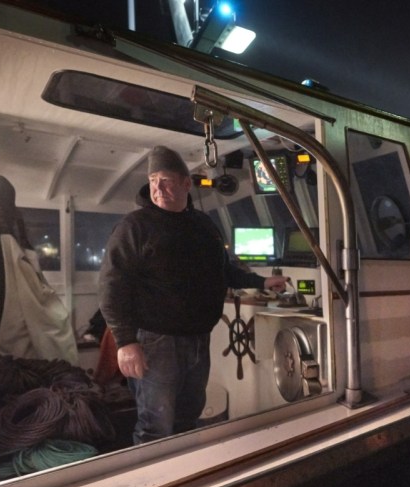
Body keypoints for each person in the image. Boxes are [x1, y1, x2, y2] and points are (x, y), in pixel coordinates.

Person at [98, 145, 288, 444]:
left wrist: (263, 282)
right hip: (155, 341)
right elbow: (112, 286)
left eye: (166, 180)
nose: (157, 187)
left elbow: (223, 271)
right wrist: (126, 342)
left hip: (198, 338)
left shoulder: (203, 225)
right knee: (155, 425)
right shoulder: (134, 227)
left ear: (187, 183)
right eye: (152, 181)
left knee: (188, 417)